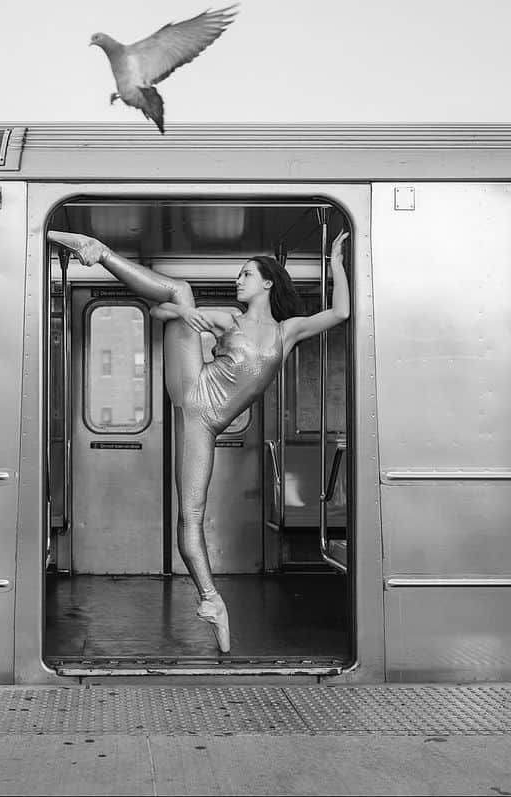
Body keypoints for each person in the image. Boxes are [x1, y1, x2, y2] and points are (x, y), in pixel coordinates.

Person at [49, 228, 351, 653]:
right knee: (181, 291)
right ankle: (99, 253)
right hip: (193, 386)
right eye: (239, 275)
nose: (238, 280)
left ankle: (212, 602)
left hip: (204, 422)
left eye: (247, 274)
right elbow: (158, 313)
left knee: (190, 518)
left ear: (268, 282)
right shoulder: (229, 318)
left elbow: (340, 312)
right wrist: (182, 316)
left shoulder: (289, 332)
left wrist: (335, 260)